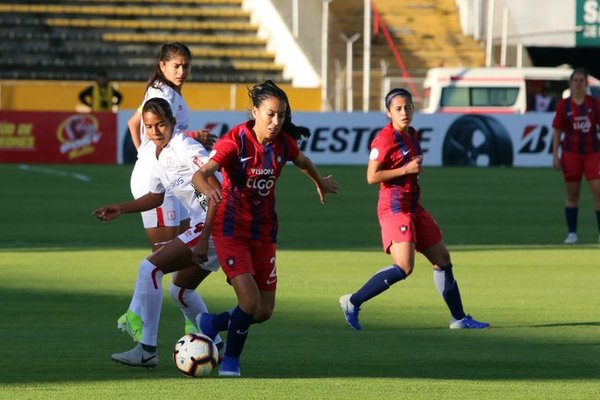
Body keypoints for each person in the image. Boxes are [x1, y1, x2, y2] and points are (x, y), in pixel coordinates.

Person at [190, 80, 340, 377]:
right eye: (270, 114)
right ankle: (230, 360)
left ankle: (213, 323)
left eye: (281, 116)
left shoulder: (283, 142)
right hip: (231, 229)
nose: (276, 121)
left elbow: (303, 160)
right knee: (248, 301)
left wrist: (319, 181)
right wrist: (208, 191)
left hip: (265, 231)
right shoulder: (235, 142)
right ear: (254, 111)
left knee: (263, 310)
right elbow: (200, 174)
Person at [339, 88, 489, 332]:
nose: (404, 112)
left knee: (442, 260)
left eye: (407, 107)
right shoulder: (384, 139)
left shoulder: (413, 134)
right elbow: (371, 176)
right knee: (404, 267)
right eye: (398, 108)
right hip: (394, 207)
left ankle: (459, 318)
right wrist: (405, 170)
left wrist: (411, 171)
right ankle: (353, 301)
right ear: (388, 112)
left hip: (413, 206)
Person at [92, 98, 224, 367]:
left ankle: (147, 349)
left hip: (217, 224)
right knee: (181, 291)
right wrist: (121, 208)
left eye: (160, 124)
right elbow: (155, 197)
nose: (154, 131)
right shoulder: (156, 153)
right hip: (216, 227)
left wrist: (206, 235)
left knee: (148, 269)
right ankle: (216, 346)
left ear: (172, 123)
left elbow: (216, 190)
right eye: (149, 126)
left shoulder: (186, 147)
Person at [120, 43, 217, 340]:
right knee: (160, 260)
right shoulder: (162, 94)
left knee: (173, 266)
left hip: (168, 180)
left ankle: (193, 326)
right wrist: (148, 158)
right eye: (176, 65)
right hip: (160, 179)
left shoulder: (164, 91)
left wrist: (144, 154)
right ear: (162, 65)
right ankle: (137, 319)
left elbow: (133, 121)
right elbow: (148, 126)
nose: (181, 71)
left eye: (185, 65)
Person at [551, 68, 600, 244]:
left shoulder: (594, 104)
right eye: (575, 80)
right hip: (571, 153)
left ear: (586, 84)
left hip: (593, 153)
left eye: (581, 80)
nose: (578, 84)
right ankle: (572, 233)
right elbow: (557, 130)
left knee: (598, 191)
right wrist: (555, 154)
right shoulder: (563, 106)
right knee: (572, 194)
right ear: (570, 83)